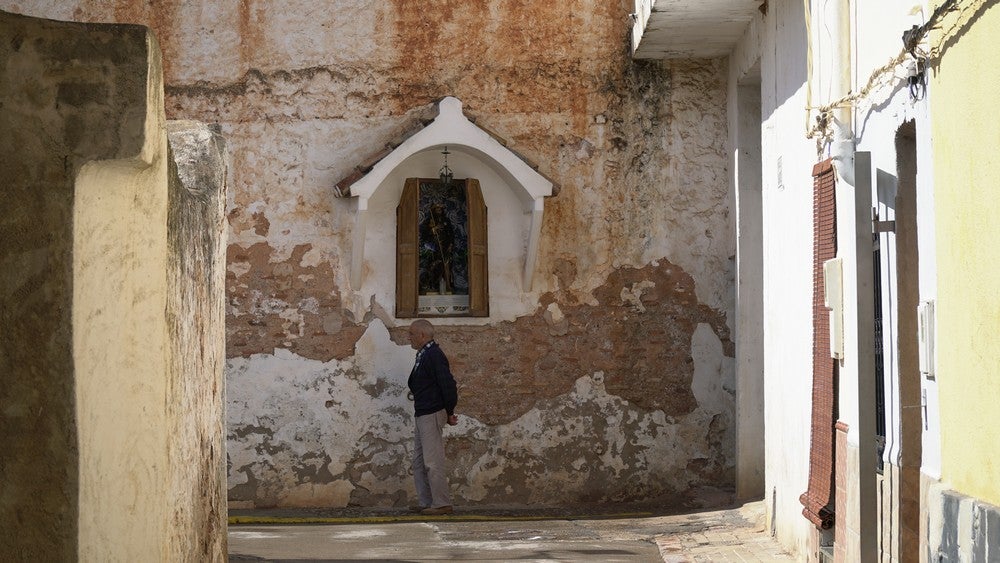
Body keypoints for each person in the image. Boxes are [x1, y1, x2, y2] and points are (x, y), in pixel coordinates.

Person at [406, 319, 458, 515]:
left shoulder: (434, 355)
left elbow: (448, 385)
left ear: (422, 335)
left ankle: (441, 503)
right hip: (423, 412)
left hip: (431, 413)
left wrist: (450, 411)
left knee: (432, 461)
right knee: (419, 462)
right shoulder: (424, 354)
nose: (408, 337)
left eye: (411, 333)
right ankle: (427, 501)